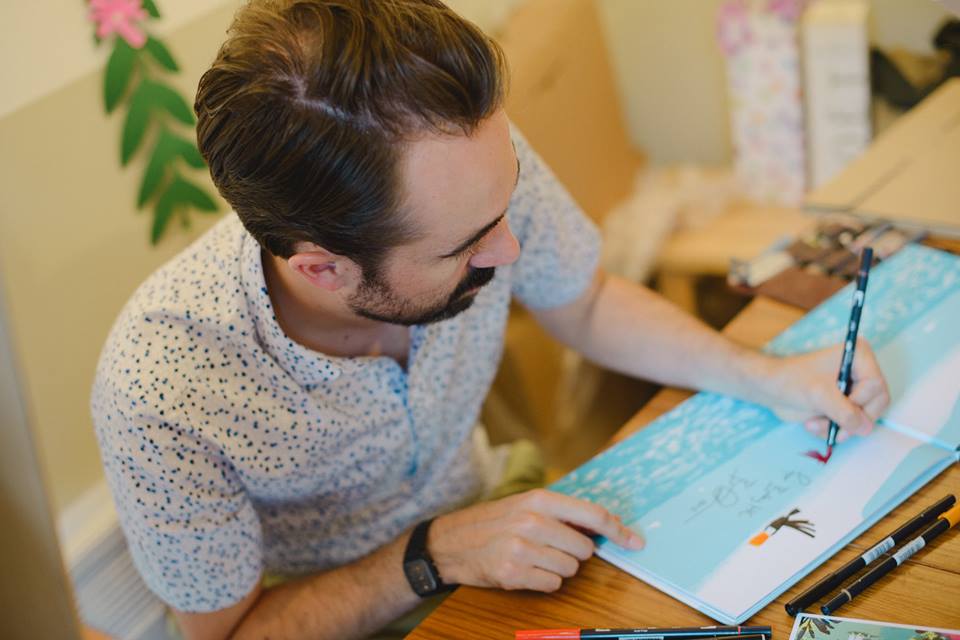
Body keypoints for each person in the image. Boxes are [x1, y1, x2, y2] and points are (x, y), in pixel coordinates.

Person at [90, 1, 891, 638]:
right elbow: (228, 636)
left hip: (494, 513)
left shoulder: (469, 164)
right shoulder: (162, 389)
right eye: (469, 245)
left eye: (505, 206)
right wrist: (430, 556)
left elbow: (583, 297)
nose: (510, 248)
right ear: (321, 268)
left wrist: (768, 375)